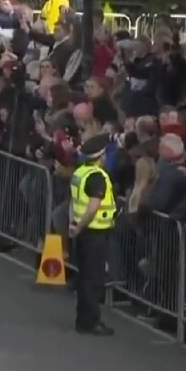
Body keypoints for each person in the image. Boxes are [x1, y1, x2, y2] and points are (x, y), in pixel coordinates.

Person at [68, 135, 117, 336]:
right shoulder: (97, 177)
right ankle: (91, 321)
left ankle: (83, 319)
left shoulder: (80, 172)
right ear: (101, 155)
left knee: (84, 277)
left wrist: (73, 224)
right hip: (94, 233)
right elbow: (93, 207)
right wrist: (79, 227)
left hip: (83, 232)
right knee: (93, 279)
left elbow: (73, 202)